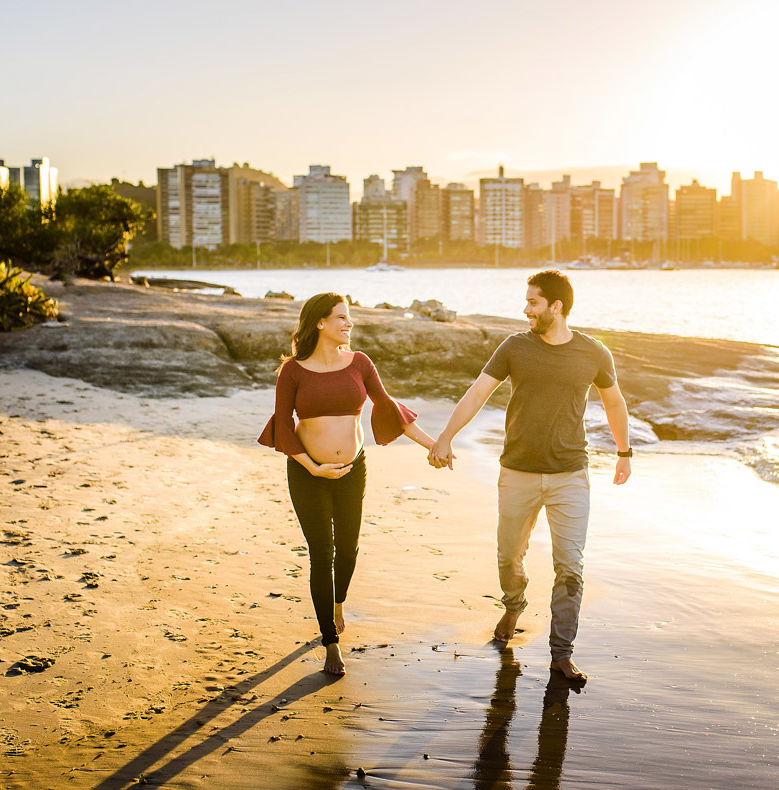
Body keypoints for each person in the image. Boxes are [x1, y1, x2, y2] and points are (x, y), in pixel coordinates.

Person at [428, 270, 632, 682]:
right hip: (517, 471)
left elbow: (614, 403)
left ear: (556, 307)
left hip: (570, 475)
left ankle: (561, 653)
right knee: (508, 556)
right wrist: (445, 437)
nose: (526, 309)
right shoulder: (514, 347)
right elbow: (477, 393)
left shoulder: (593, 353)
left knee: (570, 566)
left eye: (533, 302)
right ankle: (514, 604)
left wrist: (624, 452)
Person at [258, 292, 435, 675]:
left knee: (349, 550)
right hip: (308, 474)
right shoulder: (294, 370)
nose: (348, 324)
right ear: (320, 323)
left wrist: (434, 445)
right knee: (322, 555)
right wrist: (311, 466)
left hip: (352, 470)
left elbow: (389, 407)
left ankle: (338, 602)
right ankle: (330, 642)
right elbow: (283, 423)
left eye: (349, 317)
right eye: (341, 317)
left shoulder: (360, 363)